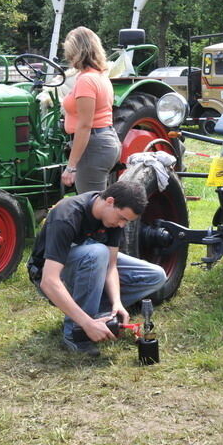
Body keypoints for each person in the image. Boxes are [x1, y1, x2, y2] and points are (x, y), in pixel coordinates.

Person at [28, 180, 166, 357]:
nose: (123, 225)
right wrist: (86, 324)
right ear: (109, 201)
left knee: (155, 275)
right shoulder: (67, 215)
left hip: (90, 264)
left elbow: (112, 266)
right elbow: (49, 281)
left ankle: (100, 313)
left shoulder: (113, 219)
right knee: (97, 253)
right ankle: (77, 332)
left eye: (127, 221)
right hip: (50, 276)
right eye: (122, 218)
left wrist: (117, 303)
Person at [60, 27, 121, 193]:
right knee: (97, 202)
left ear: (76, 51)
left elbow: (85, 125)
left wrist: (71, 167)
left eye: (69, 51)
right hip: (104, 140)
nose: (67, 56)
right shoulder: (99, 76)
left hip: (93, 146)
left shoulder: (86, 80)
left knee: (91, 205)